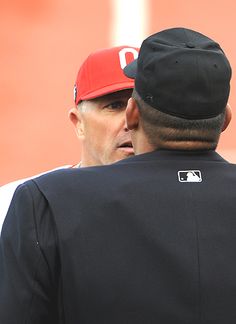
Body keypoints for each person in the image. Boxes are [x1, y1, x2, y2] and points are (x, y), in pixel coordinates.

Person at [0, 27, 234, 323]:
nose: (124, 120)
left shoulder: (39, 203)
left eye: (131, 103)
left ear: (136, 113)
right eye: (112, 105)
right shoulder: (11, 203)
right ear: (78, 122)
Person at [0, 45, 139, 233]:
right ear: (78, 123)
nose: (131, 121)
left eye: (143, 106)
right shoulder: (14, 206)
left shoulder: (184, 203)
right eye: (114, 106)